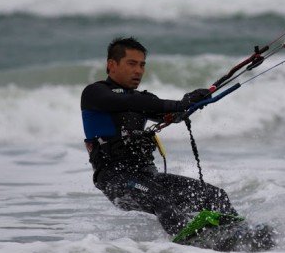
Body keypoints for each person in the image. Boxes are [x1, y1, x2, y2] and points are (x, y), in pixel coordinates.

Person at [80, 37, 240, 237]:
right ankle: (192, 243)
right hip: (116, 179)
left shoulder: (143, 100)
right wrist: (179, 104)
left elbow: (175, 113)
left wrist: (193, 101)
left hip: (149, 177)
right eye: (132, 64)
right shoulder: (95, 93)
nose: (138, 70)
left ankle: (239, 236)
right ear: (112, 64)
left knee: (214, 195)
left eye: (142, 65)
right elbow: (130, 102)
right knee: (160, 198)